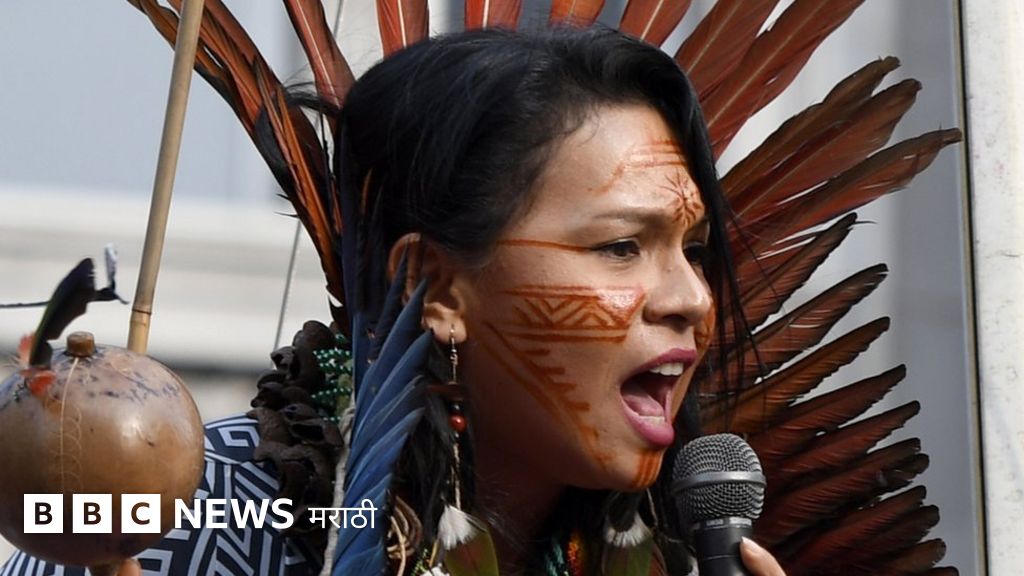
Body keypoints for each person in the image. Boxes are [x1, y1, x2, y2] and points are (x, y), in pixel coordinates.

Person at [2, 26, 784, 576]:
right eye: (620, 247)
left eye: (693, 251)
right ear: (432, 287)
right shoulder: (185, 518)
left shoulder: (666, 554)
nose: (691, 298)